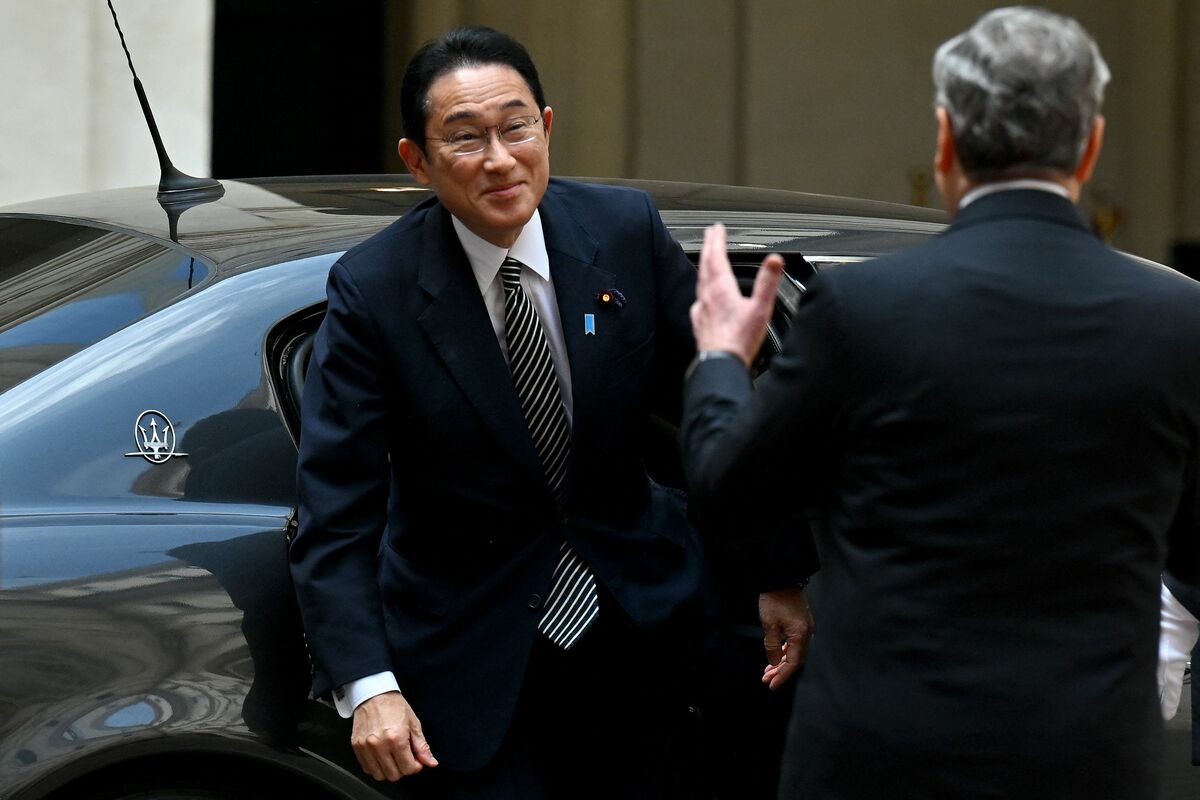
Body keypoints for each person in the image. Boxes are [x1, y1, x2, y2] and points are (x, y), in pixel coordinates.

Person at [682, 7, 1200, 799]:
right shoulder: (1177, 318)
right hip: (1086, 752)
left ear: (945, 139)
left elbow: (731, 491)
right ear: (1091, 145)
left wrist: (720, 358)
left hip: (887, 755)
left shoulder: (862, 310)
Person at [288, 26, 807, 799]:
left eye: (515, 126)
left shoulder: (622, 232)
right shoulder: (377, 290)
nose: (498, 159)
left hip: (647, 633)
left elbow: (712, 408)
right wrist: (369, 684)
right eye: (464, 139)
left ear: (548, 127)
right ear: (417, 161)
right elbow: (336, 511)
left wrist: (777, 572)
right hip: (475, 663)